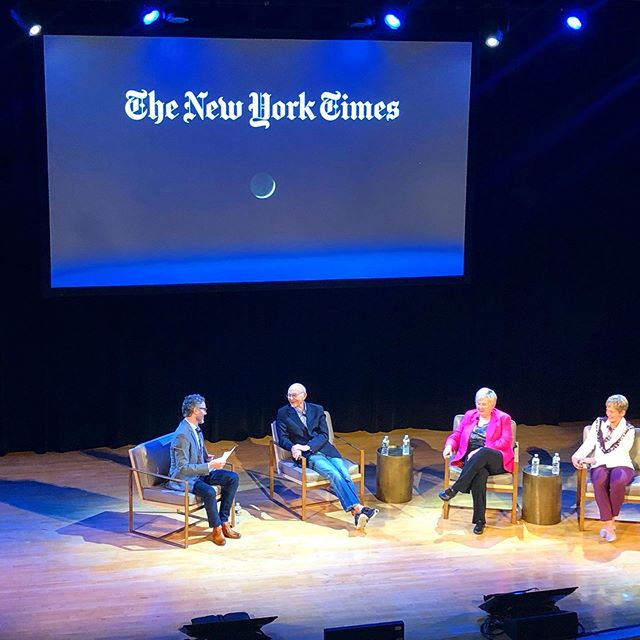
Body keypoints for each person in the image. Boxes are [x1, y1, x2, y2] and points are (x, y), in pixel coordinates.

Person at [276, 382, 378, 530]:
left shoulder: (317, 410)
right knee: (334, 473)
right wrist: (293, 447)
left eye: (294, 395)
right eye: (289, 395)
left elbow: (324, 435)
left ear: (304, 396)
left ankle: (357, 512)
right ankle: (360, 509)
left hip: (326, 449)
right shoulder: (283, 413)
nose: (291, 398)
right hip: (308, 455)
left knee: (344, 473)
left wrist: (308, 445)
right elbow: (282, 438)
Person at [438, 387, 515, 535]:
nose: (480, 407)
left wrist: (480, 450)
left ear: (493, 405)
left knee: (484, 452)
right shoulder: (469, 415)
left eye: (484, 404)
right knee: (480, 475)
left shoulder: (503, 418)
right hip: (473, 462)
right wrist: (449, 446)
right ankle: (480, 521)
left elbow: (506, 441)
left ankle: (455, 489)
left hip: (496, 459)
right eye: (478, 403)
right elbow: (457, 435)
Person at [168, 394, 241, 546]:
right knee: (209, 491)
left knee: (232, 478)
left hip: (198, 473)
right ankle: (216, 529)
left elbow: (197, 453)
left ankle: (224, 521)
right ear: (195, 410)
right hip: (184, 479)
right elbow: (182, 468)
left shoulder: (195, 429)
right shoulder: (182, 434)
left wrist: (207, 459)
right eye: (204, 409)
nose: (206, 413)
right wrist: (209, 466)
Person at [572, 394, 635, 543]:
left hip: (621, 464)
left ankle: (610, 521)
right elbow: (589, 443)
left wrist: (592, 459)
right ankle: (609, 524)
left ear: (622, 413)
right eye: (607, 410)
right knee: (599, 480)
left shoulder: (629, 430)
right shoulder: (599, 423)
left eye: (612, 411)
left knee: (617, 482)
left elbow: (619, 453)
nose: (608, 414)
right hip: (600, 465)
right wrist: (577, 456)